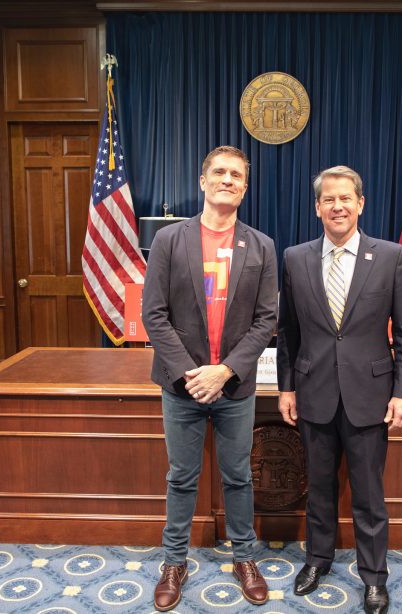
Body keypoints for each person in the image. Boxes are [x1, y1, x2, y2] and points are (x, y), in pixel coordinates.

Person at [276, 166, 402, 614]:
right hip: (314, 392)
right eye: (328, 200)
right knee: (318, 488)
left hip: (371, 398)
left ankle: (374, 576)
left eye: (345, 198)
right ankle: (316, 561)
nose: (337, 206)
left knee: (368, 494)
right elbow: (288, 332)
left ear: (361, 203)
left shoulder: (392, 256)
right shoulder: (295, 258)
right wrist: (286, 388)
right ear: (317, 207)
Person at [142, 145, 278, 612]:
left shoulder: (261, 245)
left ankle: (245, 557)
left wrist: (223, 371)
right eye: (219, 172)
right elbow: (153, 315)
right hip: (182, 386)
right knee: (182, 476)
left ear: (245, 186)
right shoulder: (170, 240)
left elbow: (266, 321)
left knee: (239, 476)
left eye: (236, 175)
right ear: (203, 181)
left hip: (234, 385)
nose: (227, 179)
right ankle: (174, 561)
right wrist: (191, 374)